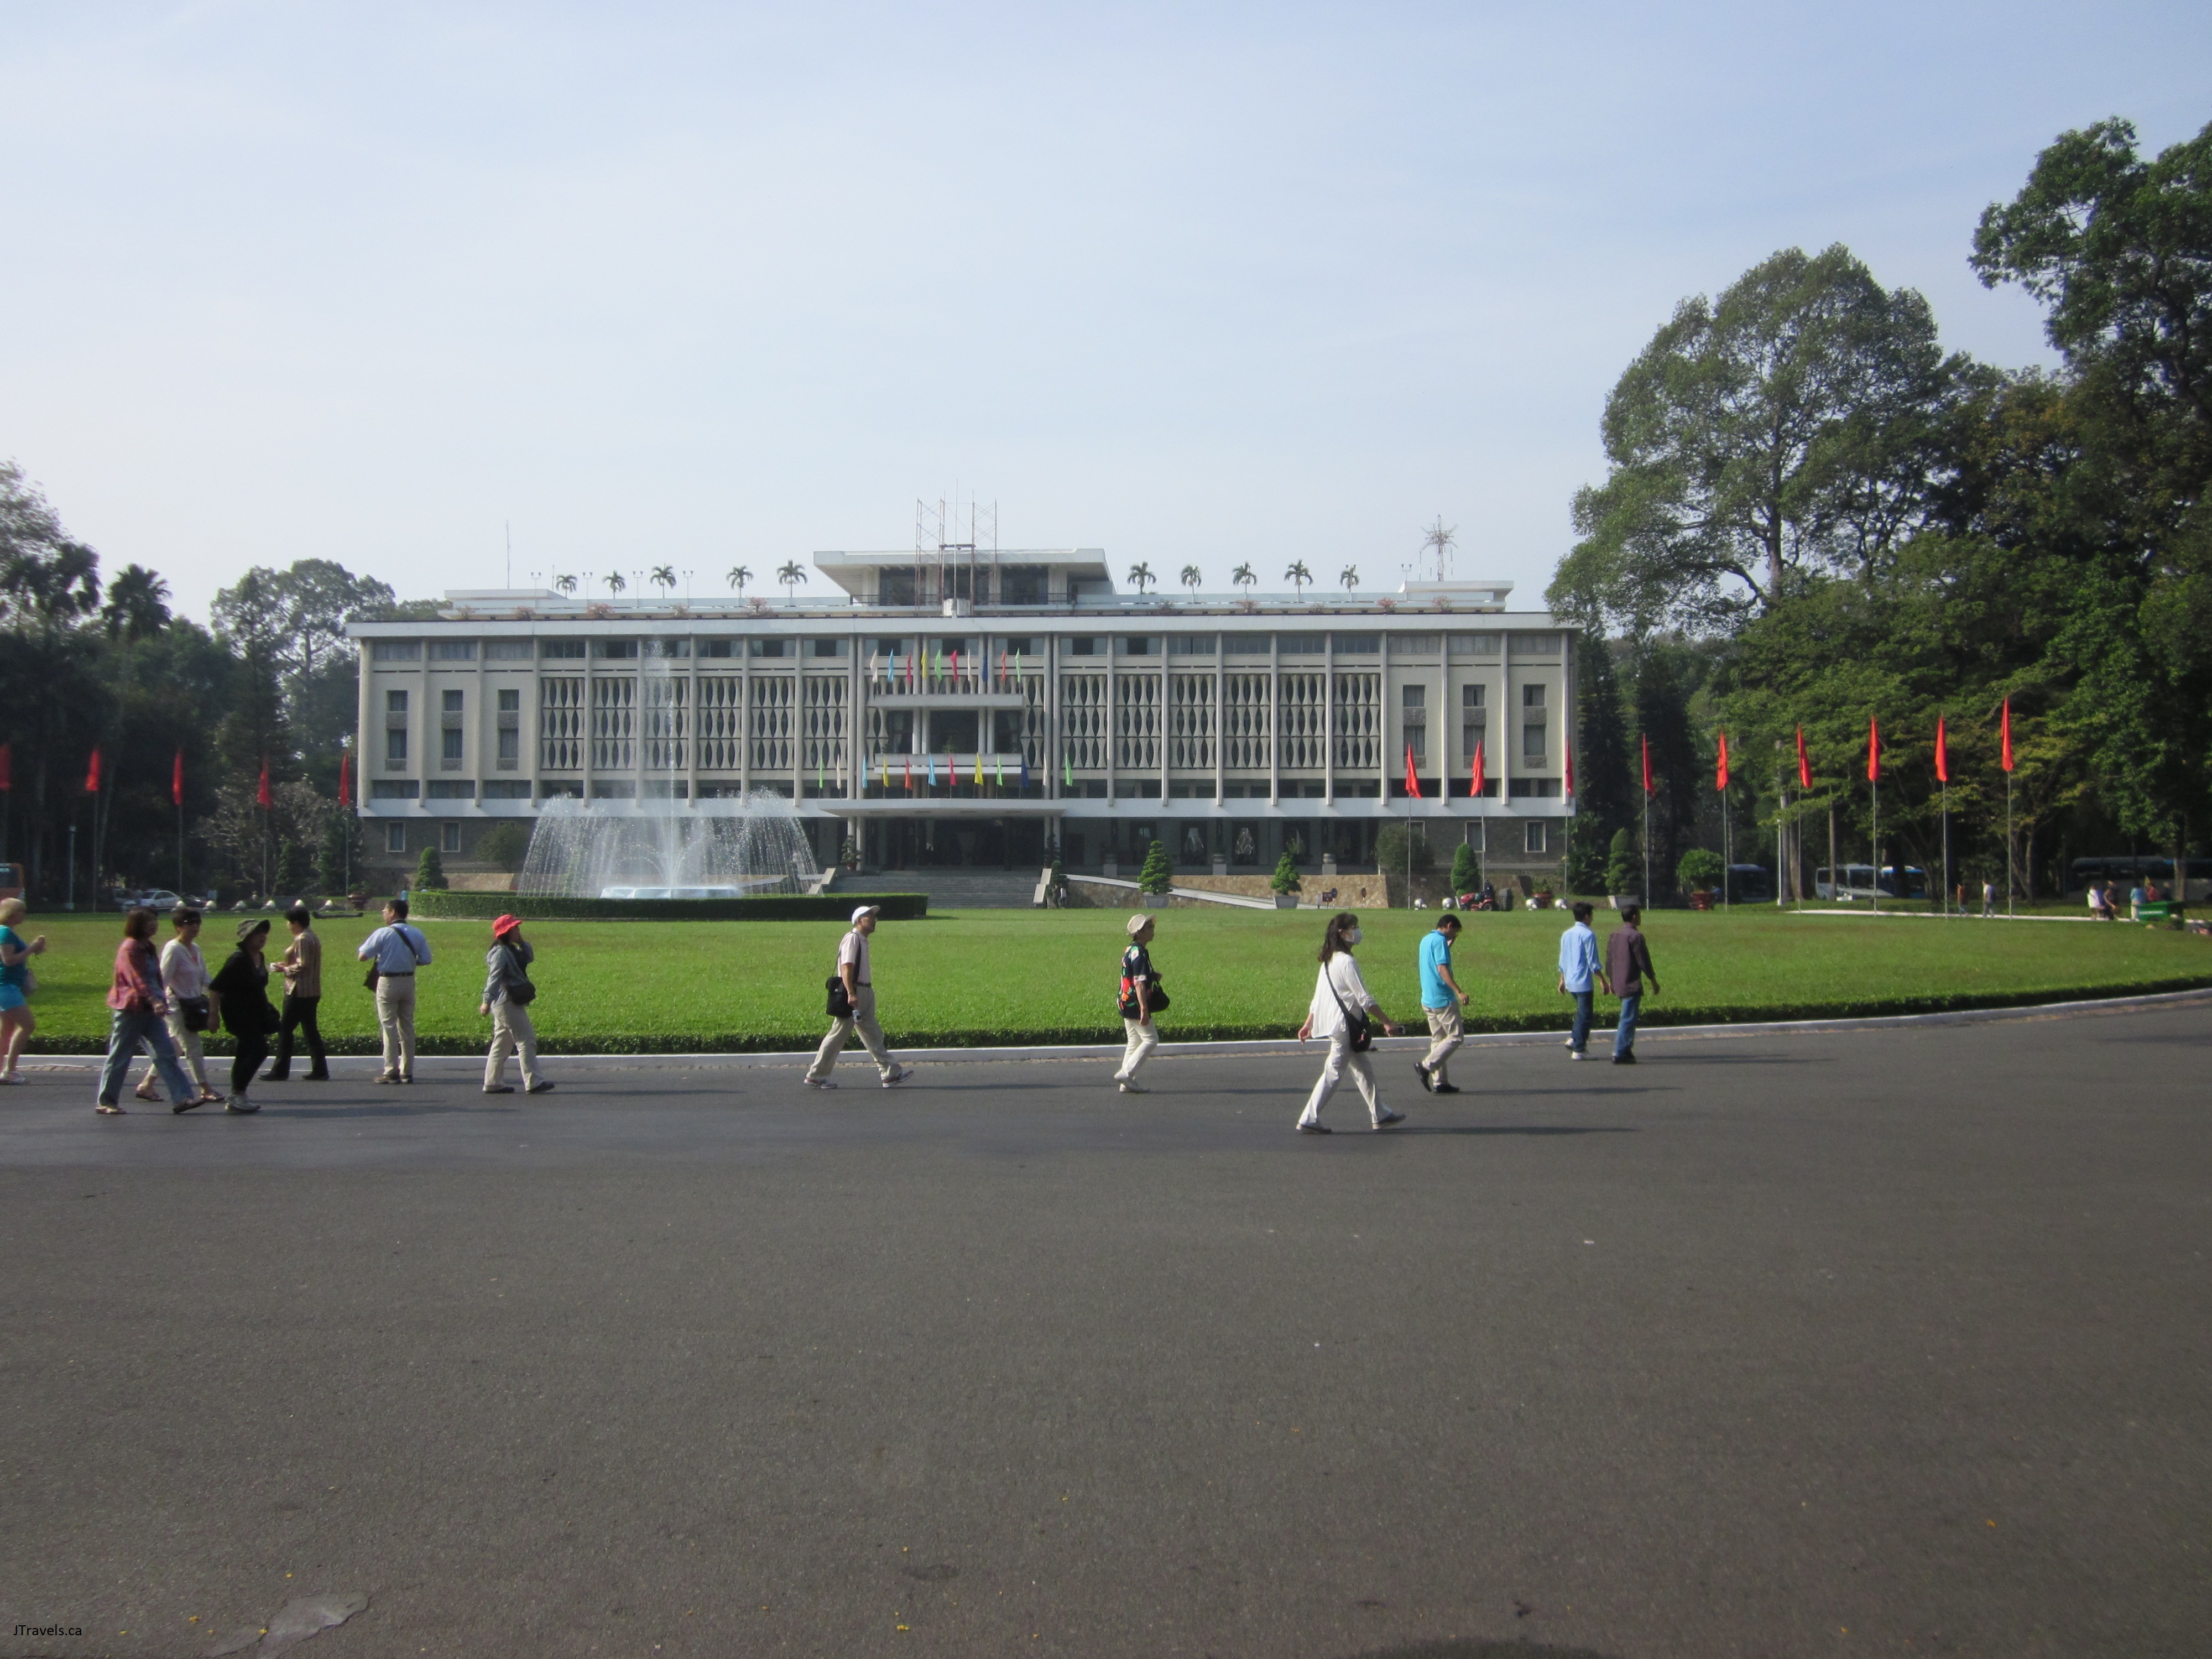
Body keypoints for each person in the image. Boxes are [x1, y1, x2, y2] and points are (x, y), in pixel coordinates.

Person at [1293, 911, 1406, 1134]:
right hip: (1345, 1027)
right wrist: (1387, 1022)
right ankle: (1309, 1118)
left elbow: (1318, 999)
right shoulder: (1346, 962)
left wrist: (1308, 1024)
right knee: (1334, 1071)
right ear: (1342, 933)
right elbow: (1364, 999)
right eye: (1354, 927)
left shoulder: (1329, 962)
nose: (1357, 932)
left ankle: (1380, 1113)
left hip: (1341, 1025)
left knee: (1363, 1069)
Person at [95, 907, 197, 1114]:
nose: (154, 925)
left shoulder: (148, 947)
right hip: (131, 1010)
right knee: (120, 1056)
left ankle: (183, 1098)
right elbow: (136, 979)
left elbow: (155, 978)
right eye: (149, 921)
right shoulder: (130, 948)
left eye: (155, 920)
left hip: (151, 1011)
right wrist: (154, 1000)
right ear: (137, 924)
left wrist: (161, 1000)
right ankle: (106, 1101)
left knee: (166, 1053)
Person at [805, 905, 914, 1090]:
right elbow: (847, 967)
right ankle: (816, 1075)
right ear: (859, 920)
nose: (874, 919)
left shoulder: (863, 941)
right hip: (856, 992)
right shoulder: (852, 938)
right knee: (838, 1035)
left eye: (874, 916)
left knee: (873, 1034)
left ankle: (891, 1074)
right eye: (869, 916)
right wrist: (851, 993)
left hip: (865, 992)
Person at [133, 906, 225, 1107]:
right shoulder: (173, 949)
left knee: (175, 1049)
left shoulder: (195, 949)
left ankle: (146, 1085)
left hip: (193, 1004)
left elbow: (204, 978)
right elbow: (162, 978)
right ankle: (205, 1089)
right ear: (178, 927)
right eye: (189, 923)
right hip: (176, 1007)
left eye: (197, 922)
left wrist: (222, 990)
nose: (194, 926)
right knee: (193, 1047)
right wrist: (158, 1003)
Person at [358, 898, 432, 1083]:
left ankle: (391, 1069)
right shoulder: (417, 933)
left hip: (388, 981)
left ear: (393, 912)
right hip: (408, 981)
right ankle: (407, 1070)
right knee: (407, 1026)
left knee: (389, 1026)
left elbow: (363, 956)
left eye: (385, 911)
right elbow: (426, 959)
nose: (383, 914)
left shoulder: (383, 933)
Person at [480, 913, 554, 1096]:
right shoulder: (500, 953)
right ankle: (534, 1082)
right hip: (507, 1002)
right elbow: (494, 978)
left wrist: (523, 942)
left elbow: (529, 958)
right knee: (526, 1040)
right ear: (507, 932)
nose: (519, 930)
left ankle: (493, 1083)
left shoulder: (511, 950)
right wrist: (486, 1001)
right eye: (515, 928)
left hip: (506, 1002)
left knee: (502, 1043)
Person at [209, 918, 278, 1112]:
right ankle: (237, 1094)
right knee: (259, 1050)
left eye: (264, 933)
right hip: (238, 1013)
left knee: (244, 1052)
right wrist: (213, 1015)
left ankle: (238, 1095)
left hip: (256, 1013)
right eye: (258, 933)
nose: (263, 937)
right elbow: (215, 988)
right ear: (247, 937)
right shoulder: (238, 959)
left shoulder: (260, 957)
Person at [265, 905, 329, 1081]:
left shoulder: (303, 938)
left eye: (288, 922)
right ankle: (320, 1069)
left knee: (285, 1030)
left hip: (300, 991)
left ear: (295, 923)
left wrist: (283, 969)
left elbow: (303, 965)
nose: (287, 925)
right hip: (312, 990)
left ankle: (280, 1070)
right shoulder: (312, 936)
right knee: (310, 1031)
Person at [1414, 914, 1467, 1094]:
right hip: (1442, 999)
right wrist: (1458, 991)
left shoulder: (1427, 939)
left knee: (1438, 1039)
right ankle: (1426, 1066)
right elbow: (1442, 968)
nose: (1455, 936)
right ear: (1449, 926)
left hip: (1428, 998)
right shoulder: (1440, 941)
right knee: (1456, 1036)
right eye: (1455, 932)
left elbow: (1432, 961)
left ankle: (1440, 1082)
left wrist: (1448, 946)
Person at [0, 895, 47, 1084]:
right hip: (6, 987)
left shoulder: (8, 932)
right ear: (11, 913)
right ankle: (10, 1071)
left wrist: (36, 949)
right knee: (28, 1026)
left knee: (7, 1029)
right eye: (21, 911)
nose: (24, 914)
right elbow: (9, 960)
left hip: (9, 986)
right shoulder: (5, 933)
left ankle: (5, 1069)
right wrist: (32, 948)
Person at [1604, 904, 1659, 1065]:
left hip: (1618, 981)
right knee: (1628, 1018)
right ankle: (1620, 1051)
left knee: (1628, 1016)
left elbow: (1609, 959)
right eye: (1639, 915)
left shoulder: (1614, 935)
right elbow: (1644, 961)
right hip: (1631, 982)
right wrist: (1653, 980)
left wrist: (1611, 979)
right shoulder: (1636, 937)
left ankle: (1627, 1048)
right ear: (1634, 916)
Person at [1557, 901, 1610, 1061]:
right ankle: (1579, 1048)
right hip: (1583, 981)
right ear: (1587, 916)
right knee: (1586, 1015)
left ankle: (1574, 1038)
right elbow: (1593, 961)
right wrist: (1602, 980)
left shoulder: (1567, 934)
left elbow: (1563, 959)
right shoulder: (1588, 935)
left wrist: (1562, 980)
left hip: (1570, 980)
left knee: (1581, 1013)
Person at [1114, 913, 1161, 1094]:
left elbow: (1133, 974)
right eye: (1149, 927)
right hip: (1135, 1003)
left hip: (1125, 1001)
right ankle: (1127, 1074)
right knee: (1151, 1039)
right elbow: (1139, 983)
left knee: (1134, 1041)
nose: (1152, 930)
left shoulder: (1131, 949)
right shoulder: (1140, 953)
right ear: (1139, 932)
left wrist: (1152, 975)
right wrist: (1144, 1009)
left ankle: (1126, 1083)